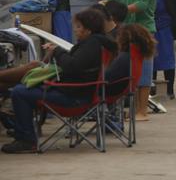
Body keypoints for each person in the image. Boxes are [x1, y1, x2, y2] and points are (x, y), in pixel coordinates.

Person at [1, 9, 117, 153]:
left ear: (88, 30)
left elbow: (72, 66)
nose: (75, 30)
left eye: (79, 27)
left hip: (73, 98)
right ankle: (22, 131)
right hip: (75, 93)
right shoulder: (95, 42)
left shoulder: (91, 44)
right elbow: (75, 65)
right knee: (24, 81)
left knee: (20, 92)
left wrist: (57, 51)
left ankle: (26, 140)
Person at [105, 0, 157, 120]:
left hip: (143, 31)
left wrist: (122, 10)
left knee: (144, 72)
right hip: (127, 31)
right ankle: (135, 110)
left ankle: (142, 110)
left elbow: (142, 4)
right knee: (131, 72)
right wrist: (104, 3)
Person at [106, 24, 157, 97]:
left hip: (111, 91)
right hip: (125, 89)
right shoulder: (137, 55)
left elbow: (108, 76)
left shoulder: (123, 58)